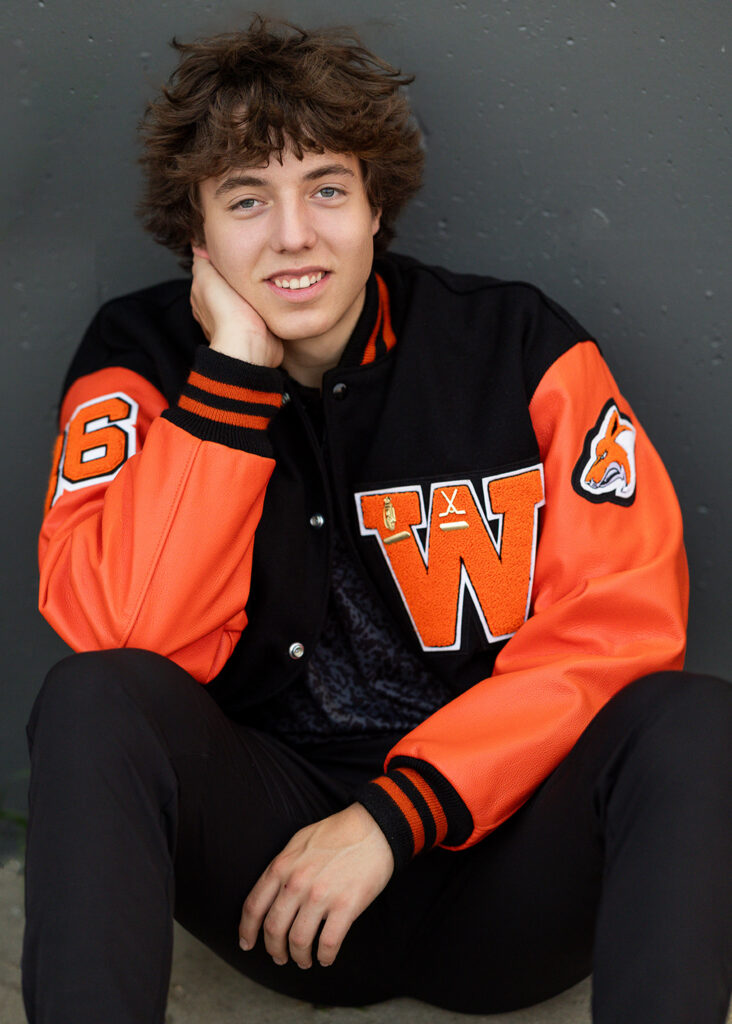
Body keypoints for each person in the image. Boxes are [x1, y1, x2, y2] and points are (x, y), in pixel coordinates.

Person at [23, 15, 731, 1024]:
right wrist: (228, 381)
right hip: (280, 891)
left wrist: (393, 819)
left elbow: (620, 621)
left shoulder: (518, 345)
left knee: (695, 718)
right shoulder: (137, 358)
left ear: (373, 207)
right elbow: (128, 638)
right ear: (199, 232)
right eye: (245, 200)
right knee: (90, 696)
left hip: (505, 875)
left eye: (325, 189)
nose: (294, 235)